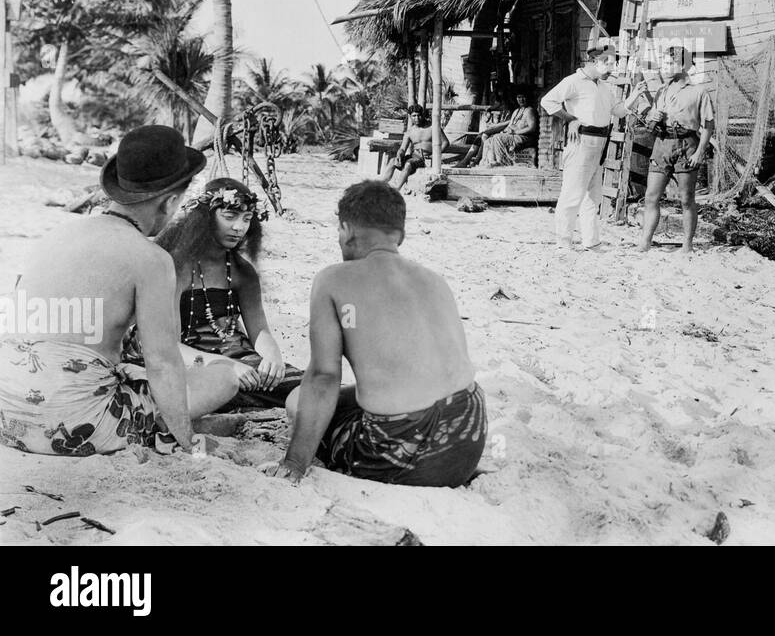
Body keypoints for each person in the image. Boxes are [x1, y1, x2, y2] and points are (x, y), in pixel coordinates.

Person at [0, 126, 237, 457]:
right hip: (73, 423)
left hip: (8, 415)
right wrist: (186, 441)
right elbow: (163, 364)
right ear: (170, 202)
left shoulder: (58, 234)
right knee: (224, 377)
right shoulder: (151, 258)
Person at [269, 181, 485, 486]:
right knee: (359, 397)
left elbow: (323, 378)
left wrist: (294, 462)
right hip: (467, 439)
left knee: (296, 400)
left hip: (401, 452)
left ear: (345, 229)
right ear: (401, 233)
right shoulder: (434, 280)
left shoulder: (332, 280)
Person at [120, 178, 301, 409]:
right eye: (229, 217)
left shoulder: (243, 272)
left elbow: (260, 330)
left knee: (298, 385)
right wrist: (225, 366)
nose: (239, 227)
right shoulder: (176, 268)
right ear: (205, 217)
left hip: (237, 356)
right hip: (183, 359)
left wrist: (273, 358)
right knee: (216, 386)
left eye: (246, 219)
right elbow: (166, 345)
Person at [540, 45, 647, 250]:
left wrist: (634, 95)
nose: (610, 68)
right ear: (593, 61)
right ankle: (563, 242)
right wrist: (571, 119)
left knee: (592, 197)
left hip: (600, 144)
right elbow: (548, 101)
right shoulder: (573, 81)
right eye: (607, 63)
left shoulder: (604, 87)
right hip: (581, 141)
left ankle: (591, 242)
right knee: (572, 195)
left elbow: (618, 111)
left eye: (612, 64)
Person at [638, 47, 715, 256]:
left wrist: (700, 151)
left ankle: (687, 245)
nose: (665, 68)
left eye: (670, 63)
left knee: (686, 198)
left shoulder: (699, 92)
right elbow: (651, 122)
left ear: (683, 65)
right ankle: (645, 242)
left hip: (686, 145)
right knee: (651, 196)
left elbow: (708, 125)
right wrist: (653, 119)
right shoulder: (662, 91)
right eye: (664, 64)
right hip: (662, 145)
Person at [464, 86, 538, 167]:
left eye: (523, 97)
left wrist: (515, 132)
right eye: (519, 97)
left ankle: (500, 161)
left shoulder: (529, 110)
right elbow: (510, 125)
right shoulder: (517, 111)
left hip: (523, 136)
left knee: (498, 138)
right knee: (489, 140)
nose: (521, 99)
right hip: (513, 135)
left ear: (527, 97)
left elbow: (532, 128)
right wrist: (505, 131)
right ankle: (487, 161)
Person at [381, 104, 435, 190]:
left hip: (424, 158)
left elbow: (445, 143)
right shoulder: (410, 131)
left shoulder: (432, 128)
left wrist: (434, 155)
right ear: (410, 116)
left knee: (408, 164)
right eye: (414, 116)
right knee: (392, 161)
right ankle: (380, 186)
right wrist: (399, 155)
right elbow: (402, 148)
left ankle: (396, 190)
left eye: (419, 115)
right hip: (414, 157)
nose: (417, 118)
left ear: (422, 115)